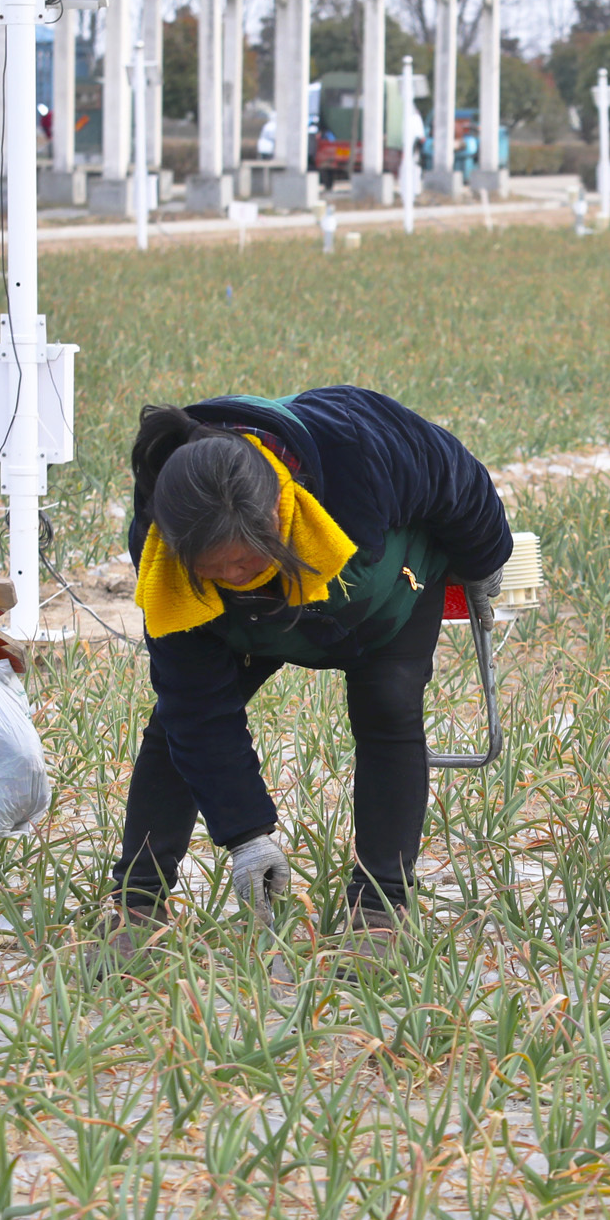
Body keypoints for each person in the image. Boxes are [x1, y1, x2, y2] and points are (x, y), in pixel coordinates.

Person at [113, 388, 513, 968]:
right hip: (249, 630)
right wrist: (246, 836)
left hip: (383, 598)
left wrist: (484, 558)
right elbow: (196, 710)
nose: (234, 576)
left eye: (247, 561)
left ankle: (381, 907)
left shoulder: (354, 449)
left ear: (279, 507)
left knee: (389, 710)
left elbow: (455, 475)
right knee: (174, 729)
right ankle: (138, 902)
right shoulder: (164, 556)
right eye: (214, 569)